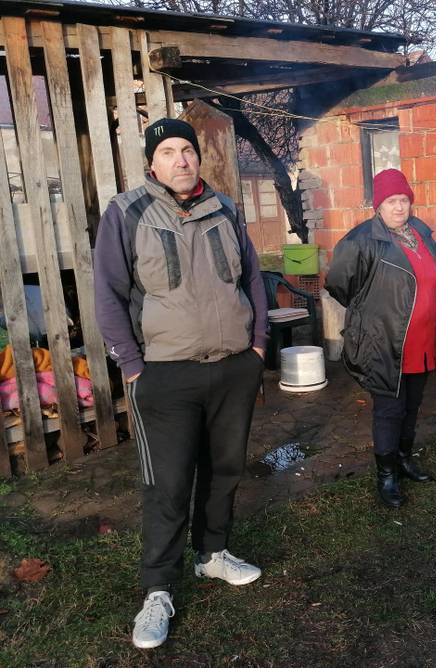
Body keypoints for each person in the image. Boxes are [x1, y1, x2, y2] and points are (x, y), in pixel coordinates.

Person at [94, 118, 268, 649]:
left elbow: (252, 278)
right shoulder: (127, 213)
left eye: (187, 150)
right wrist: (132, 365)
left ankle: (212, 553)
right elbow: (108, 293)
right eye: (168, 151)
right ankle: (158, 589)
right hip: (165, 373)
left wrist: (258, 347)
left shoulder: (225, 209)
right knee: (167, 484)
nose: (181, 160)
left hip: (233, 366)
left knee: (225, 469)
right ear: (153, 163)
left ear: (198, 156)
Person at [325, 168, 436, 508]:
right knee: (389, 410)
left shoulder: (420, 233)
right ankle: (386, 477)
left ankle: (403, 460)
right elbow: (338, 284)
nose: (399, 207)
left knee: (412, 406)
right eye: (390, 201)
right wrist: (369, 312)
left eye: (403, 200)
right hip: (385, 343)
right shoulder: (361, 241)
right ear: (378, 205)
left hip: (423, 341)